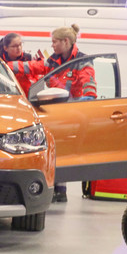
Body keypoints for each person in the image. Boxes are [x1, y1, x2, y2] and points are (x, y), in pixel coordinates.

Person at [46, 24, 94, 203]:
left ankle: (61, 190)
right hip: (56, 110)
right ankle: (58, 189)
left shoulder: (83, 61)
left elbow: (89, 86)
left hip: (72, 112)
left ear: (66, 42)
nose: (52, 45)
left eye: (55, 42)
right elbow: (36, 68)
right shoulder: (53, 60)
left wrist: (82, 103)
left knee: (62, 150)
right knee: (55, 148)